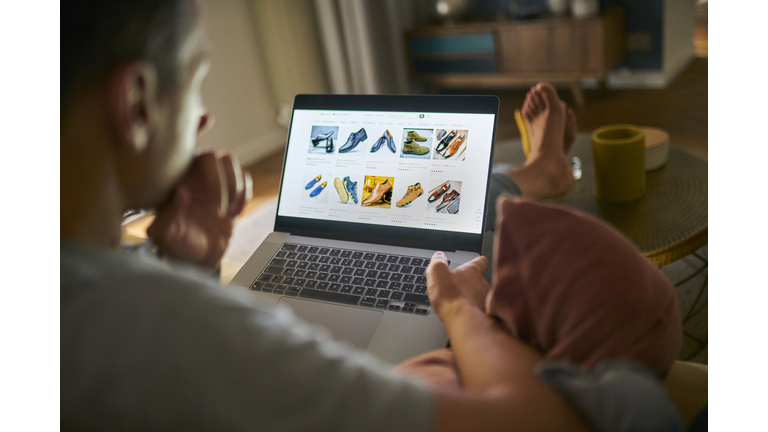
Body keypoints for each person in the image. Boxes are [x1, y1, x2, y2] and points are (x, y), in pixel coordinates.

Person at [61, 1, 590, 430]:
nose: (205, 116)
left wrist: (189, 268)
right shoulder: (171, 323)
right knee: (474, 238)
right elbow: (541, 421)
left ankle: (534, 174)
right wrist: (462, 314)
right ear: (136, 104)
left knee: (438, 203)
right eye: (197, 79)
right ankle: (539, 174)